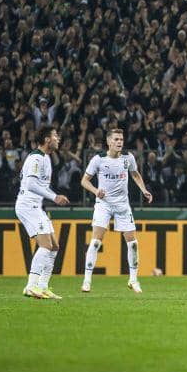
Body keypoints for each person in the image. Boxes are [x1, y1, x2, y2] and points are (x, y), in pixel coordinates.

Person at [80, 128, 153, 293]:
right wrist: (95, 191)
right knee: (96, 241)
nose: (120, 142)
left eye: (121, 139)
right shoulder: (98, 159)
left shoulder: (128, 158)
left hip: (122, 205)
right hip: (103, 204)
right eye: (116, 139)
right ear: (108, 142)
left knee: (133, 244)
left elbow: (135, 175)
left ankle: (133, 280)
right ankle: (87, 280)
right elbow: (84, 181)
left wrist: (143, 190)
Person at [15, 126, 70, 299]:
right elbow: (31, 185)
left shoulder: (46, 158)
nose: (57, 138)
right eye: (55, 136)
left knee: (54, 246)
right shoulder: (36, 158)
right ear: (47, 139)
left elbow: (40, 186)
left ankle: (43, 286)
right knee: (46, 245)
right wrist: (54, 197)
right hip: (27, 206)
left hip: (36, 207)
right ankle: (31, 286)